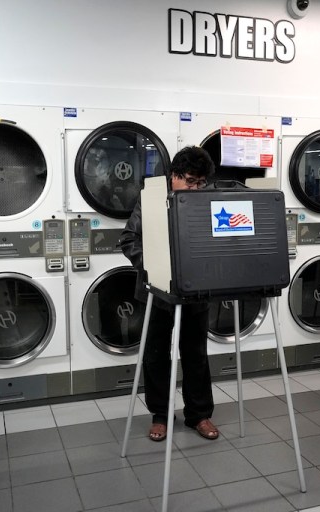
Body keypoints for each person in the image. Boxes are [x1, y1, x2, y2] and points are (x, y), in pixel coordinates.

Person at [120, 146, 218, 442]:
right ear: (173, 176)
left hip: (196, 289)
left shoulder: (207, 201)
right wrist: (156, 268)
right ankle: (160, 416)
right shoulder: (150, 198)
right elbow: (129, 239)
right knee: (156, 355)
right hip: (158, 291)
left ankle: (199, 415)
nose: (195, 188)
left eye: (200, 183)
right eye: (189, 181)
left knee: (195, 354)